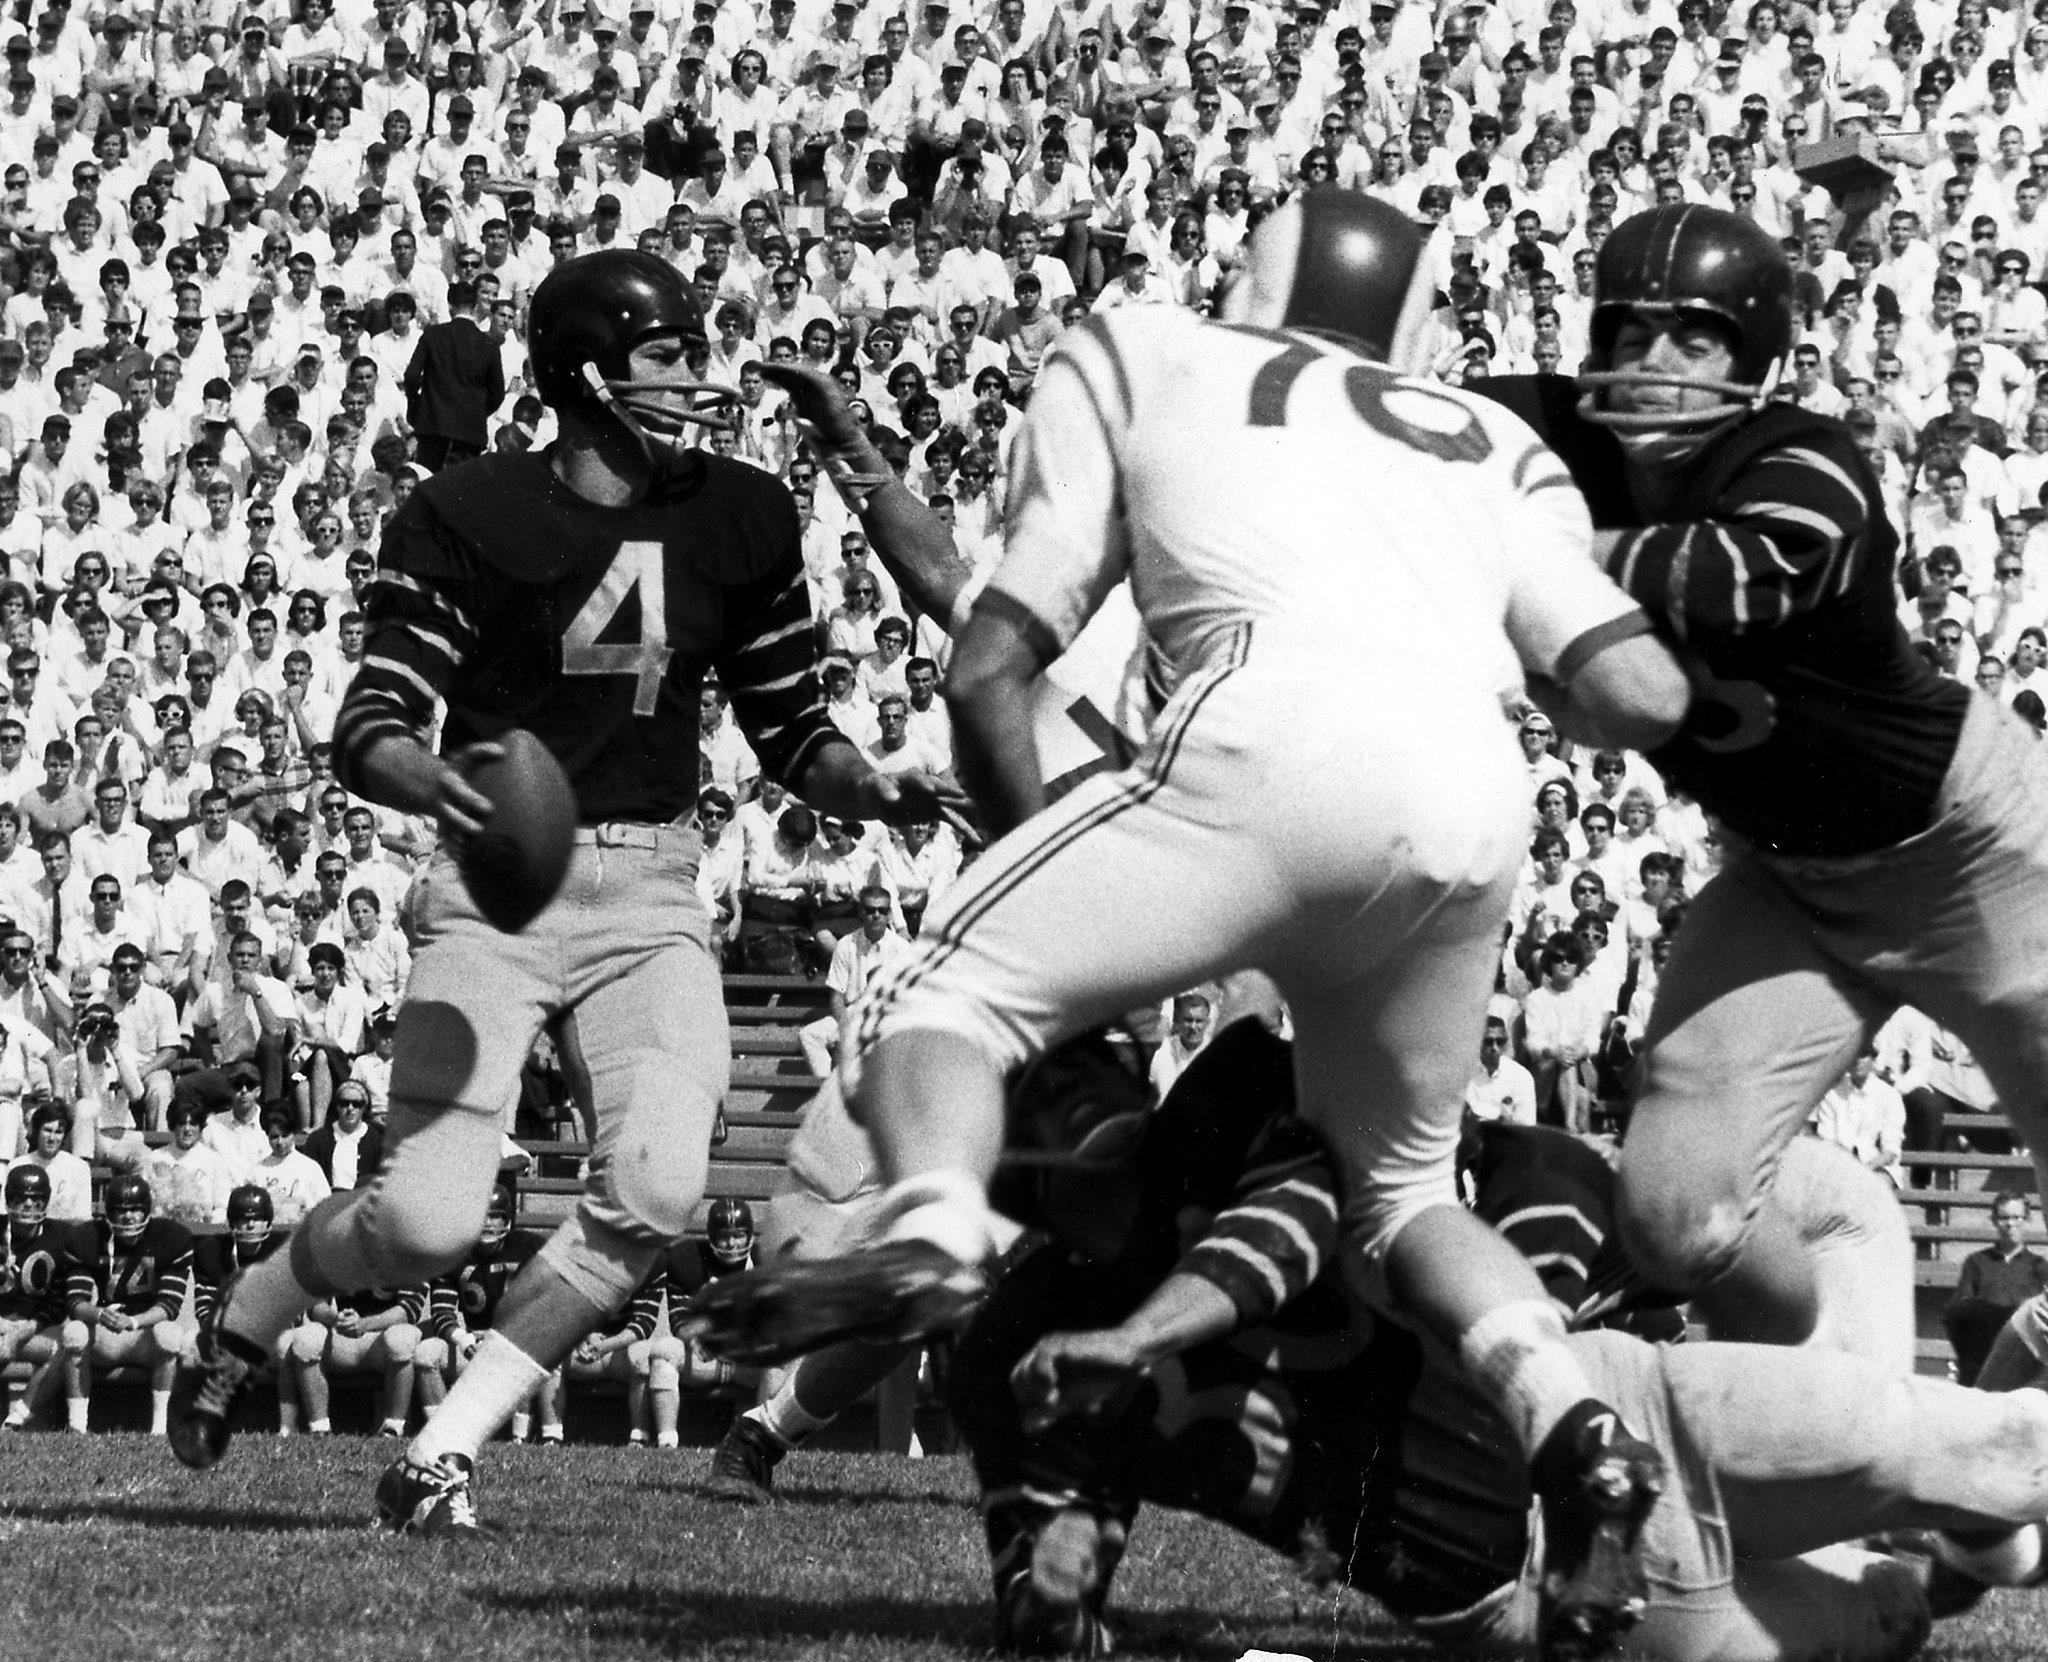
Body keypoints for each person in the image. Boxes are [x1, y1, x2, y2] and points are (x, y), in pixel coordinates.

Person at [688, 192, 1694, 1655]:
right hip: (1471, 799)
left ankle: (934, 1226)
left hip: (1253, 760)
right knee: (1404, 1191)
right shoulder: (1494, 442)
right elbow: (1633, 696)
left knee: (941, 1000)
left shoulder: (1147, 354)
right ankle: (1577, 1429)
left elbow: (985, 662)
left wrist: (1025, 877)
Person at [167, 251, 961, 1542]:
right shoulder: (470, 512)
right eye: (666, 355)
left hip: (652, 888)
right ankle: (251, 1312)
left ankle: (441, 1447)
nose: (698, 379)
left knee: (654, 1189)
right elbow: (371, 721)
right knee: (423, 1220)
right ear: (586, 372)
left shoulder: (742, 515)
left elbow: (789, 726)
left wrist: (873, 790)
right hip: (494, 890)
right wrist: (445, 784)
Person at [947, 1014, 2039, 1662]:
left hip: (1610, 1402)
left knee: (1990, 1449)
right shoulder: (1014, 1347)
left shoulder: (1225, 1109)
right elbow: (1042, 1600)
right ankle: (1960, 1557)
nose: (1085, 1074)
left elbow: (1288, 1223)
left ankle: (1972, 1530)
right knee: (1892, 1620)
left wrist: (1139, 1336)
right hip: (1503, 1582)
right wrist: (1055, 1576)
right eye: (1040, 1088)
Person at [1482, 203, 2048, 1354]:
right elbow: (1380, 414)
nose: (1652, 370)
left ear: (1754, 362)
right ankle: (1829, 1409)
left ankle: (1988, 1523)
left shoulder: (1800, 456)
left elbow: (1744, 572)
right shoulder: (1548, 436)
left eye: (1692, 343)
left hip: (1975, 858)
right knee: (1671, 1218)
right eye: (1628, 336)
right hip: (1783, 883)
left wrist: (1508, 538)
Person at [58, 1174, 196, 1436]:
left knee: (169, 1334)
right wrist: (99, 1314)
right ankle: (77, 1426)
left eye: (135, 1210)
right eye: (121, 1211)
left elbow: (169, 1305)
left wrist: (133, 1321)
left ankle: (159, 1428)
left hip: (144, 1336)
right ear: (109, 1213)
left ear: (147, 1210)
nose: (128, 1217)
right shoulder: (87, 1238)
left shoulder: (170, 1237)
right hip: (105, 1335)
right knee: (74, 1332)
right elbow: (76, 1302)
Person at [399, 279, 506, 472]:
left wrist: (417, 405)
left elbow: (412, 375)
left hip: (434, 423)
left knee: (428, 480)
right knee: (461, 491)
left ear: (450, 306)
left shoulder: (433, 334)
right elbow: (497, 393)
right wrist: (477, 410)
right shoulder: (488, 344)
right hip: (470, 431)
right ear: (474, 306)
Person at [1946, 1196, 2048, 1386]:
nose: (2010, 1224)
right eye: (2004, 1218)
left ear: (2027, 1220)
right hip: (1982, 1350)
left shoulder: (2040, 1267)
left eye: (2017, 1217)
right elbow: (1963, 1308)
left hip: (2022, 1350)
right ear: (1994, 1221)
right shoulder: (1976, 1262)